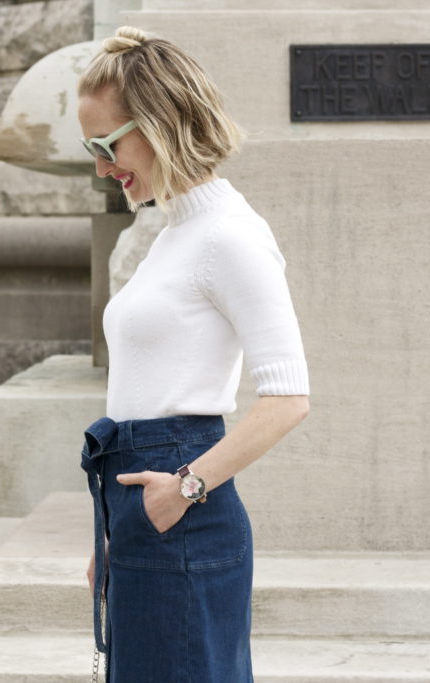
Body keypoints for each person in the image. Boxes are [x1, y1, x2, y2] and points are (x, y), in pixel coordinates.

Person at [77, 26, 310, 683]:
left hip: (181, 510)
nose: (100, 166)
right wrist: (118, 528)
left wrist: (181, 489)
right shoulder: (171, 234)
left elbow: (289, 396)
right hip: (141, 507)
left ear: (158, 125)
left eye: (106, 144)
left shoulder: (231, 236)